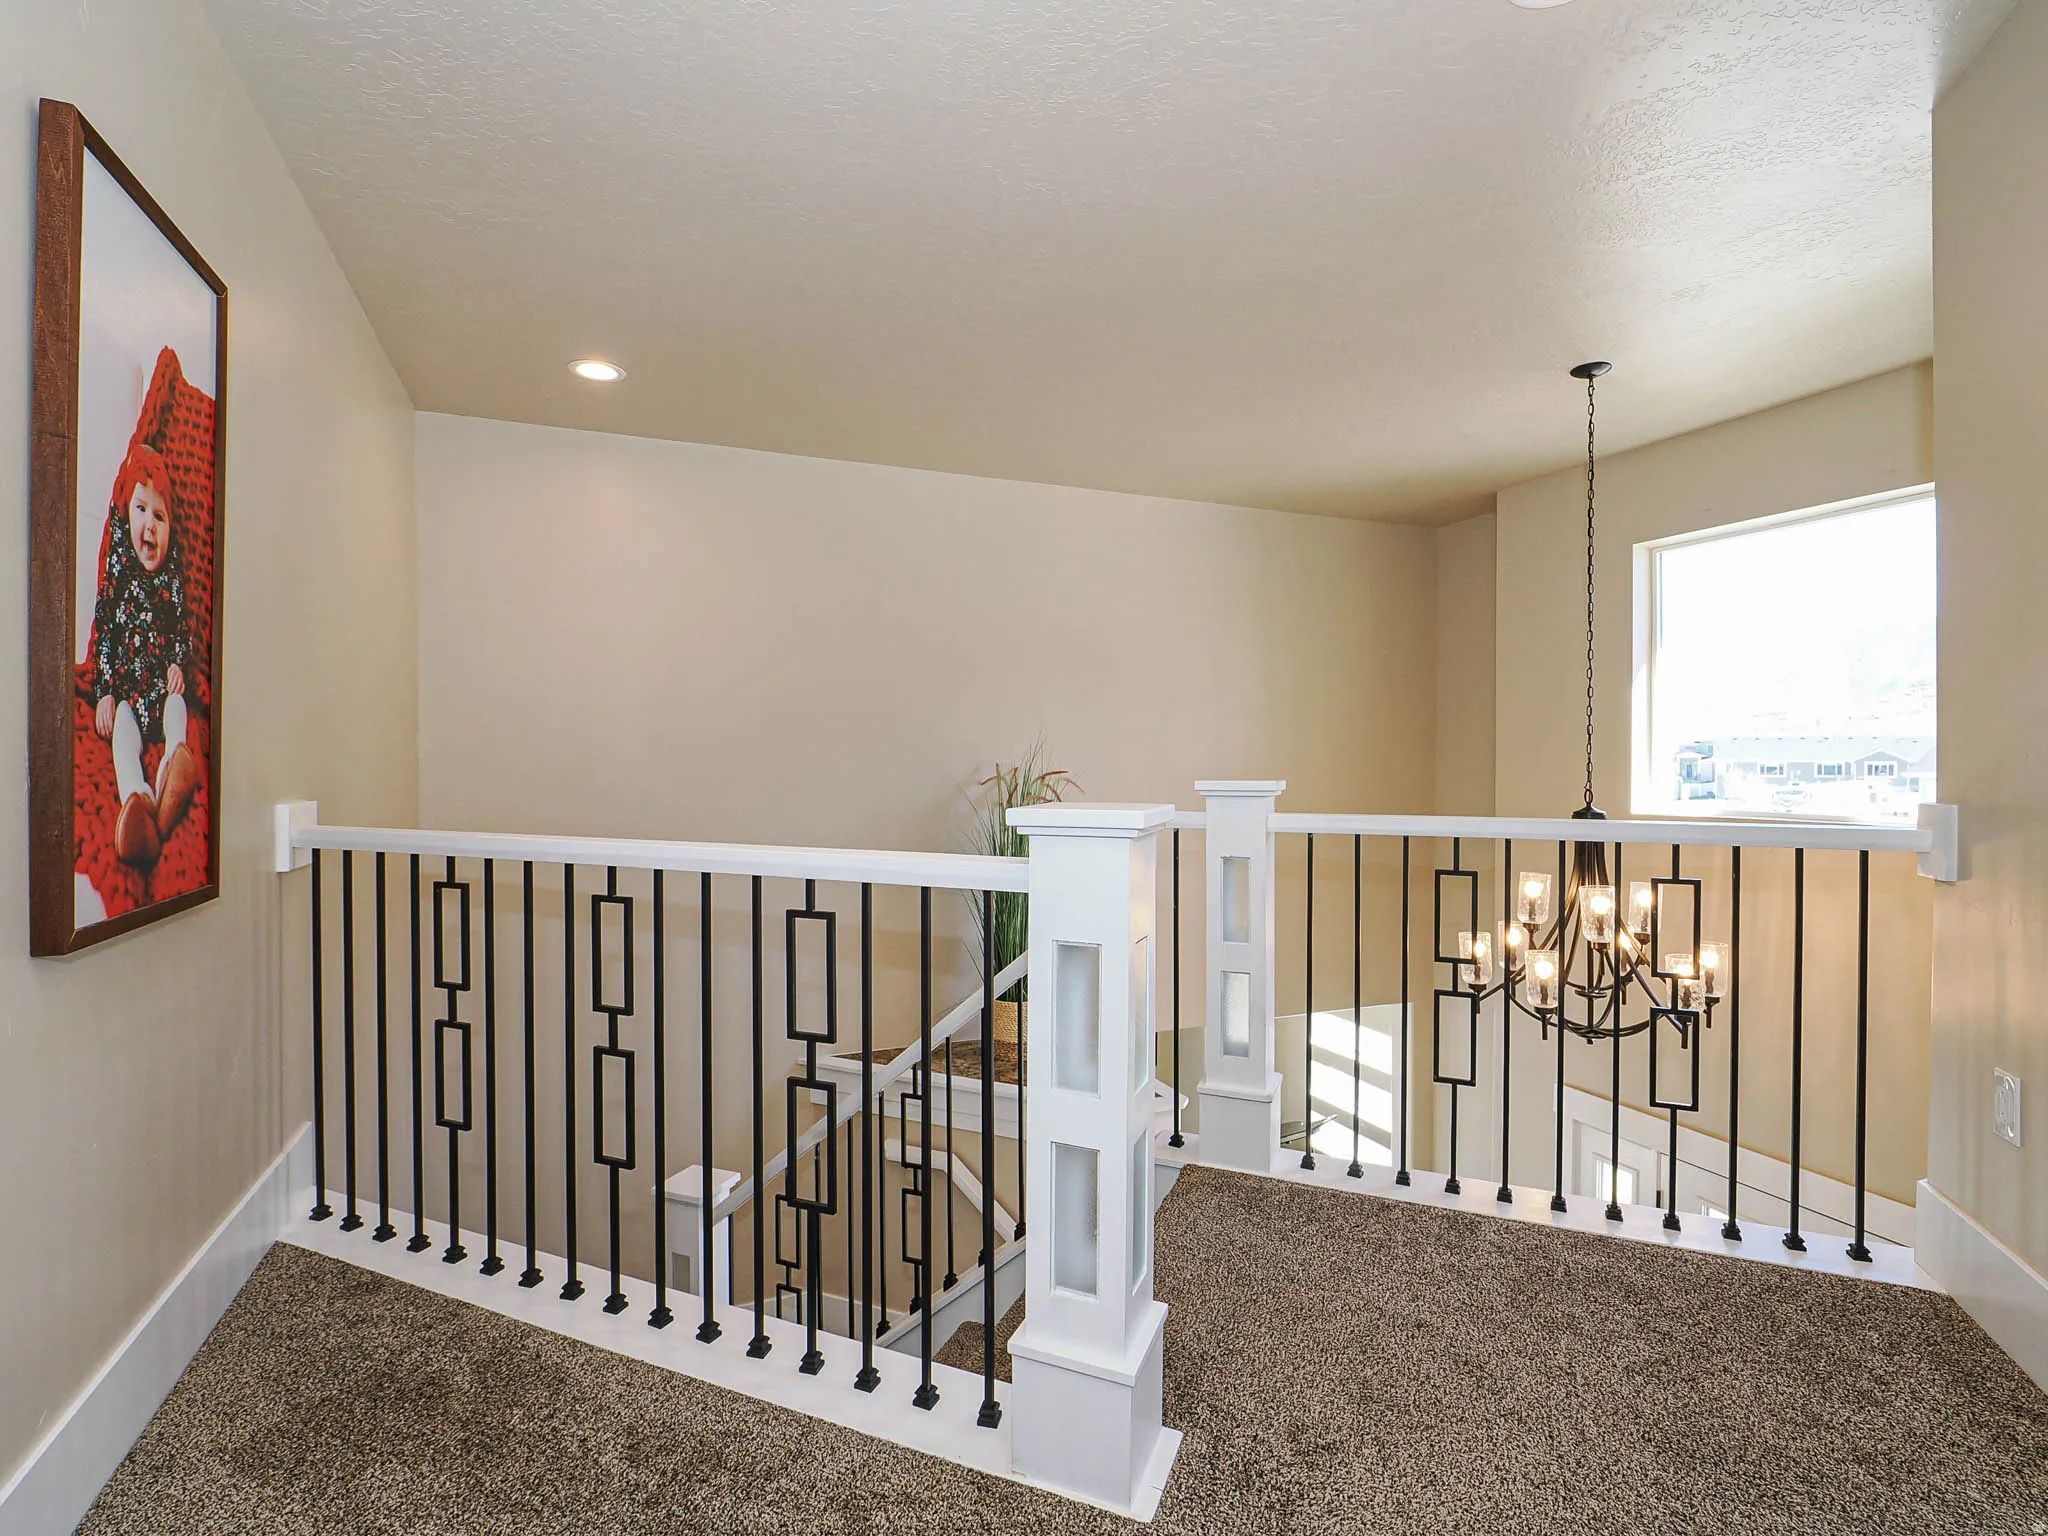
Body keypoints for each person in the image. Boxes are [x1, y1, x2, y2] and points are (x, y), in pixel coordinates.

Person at [91, 442, 199, 867]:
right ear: (125, 514)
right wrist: (104, 691)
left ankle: (176, 760)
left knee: (177, 706)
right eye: (141, 510)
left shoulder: (172, 575)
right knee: (122, 732)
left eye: (160, 516)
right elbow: (105, 635)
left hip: (160, 690)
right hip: (130, 701)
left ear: (171, 527)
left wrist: (177, 662)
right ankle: (137, 798)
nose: (150, 527)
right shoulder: (117, 572)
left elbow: (182, 627)